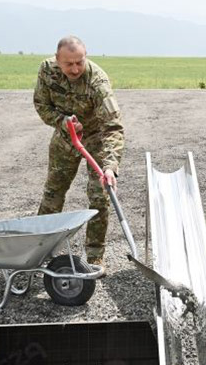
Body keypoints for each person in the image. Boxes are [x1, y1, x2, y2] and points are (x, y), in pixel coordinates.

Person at [33, 36, 124, 267]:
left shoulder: (98, 82)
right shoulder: (47, 71)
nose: (75, 69)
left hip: (95, 141)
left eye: (79, 62)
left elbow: (113, 127)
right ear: (57, 60)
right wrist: (62, 121)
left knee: (99, 197)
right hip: (65, 139)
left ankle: (95, 256)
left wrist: (110, 166)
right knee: (53, 194)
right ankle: (39, 250)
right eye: (69, 64)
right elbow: (42, 106)